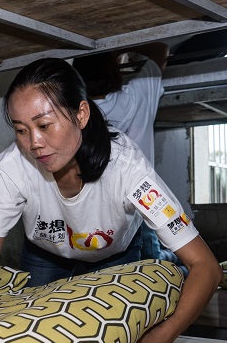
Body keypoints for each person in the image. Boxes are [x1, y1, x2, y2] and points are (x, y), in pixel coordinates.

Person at [0, 57, 223, 343]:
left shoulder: (128, 169)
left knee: (112, 341)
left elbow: (205, 266)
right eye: (21, 130)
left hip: (115, 254)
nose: (33, 143)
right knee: (36, 336)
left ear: (81, 114)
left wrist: (165, 336)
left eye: (44, 125)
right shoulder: (13, 167)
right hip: (46, 253)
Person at [72, 43, 182, 266]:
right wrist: (118, 48)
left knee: (117, 276)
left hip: (90, 212)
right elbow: (160, 48)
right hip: (139, 208)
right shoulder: (137, 96)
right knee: (153, 272)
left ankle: (174, 262)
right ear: (114, 71)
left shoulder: (71, 118)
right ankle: (177, 266)